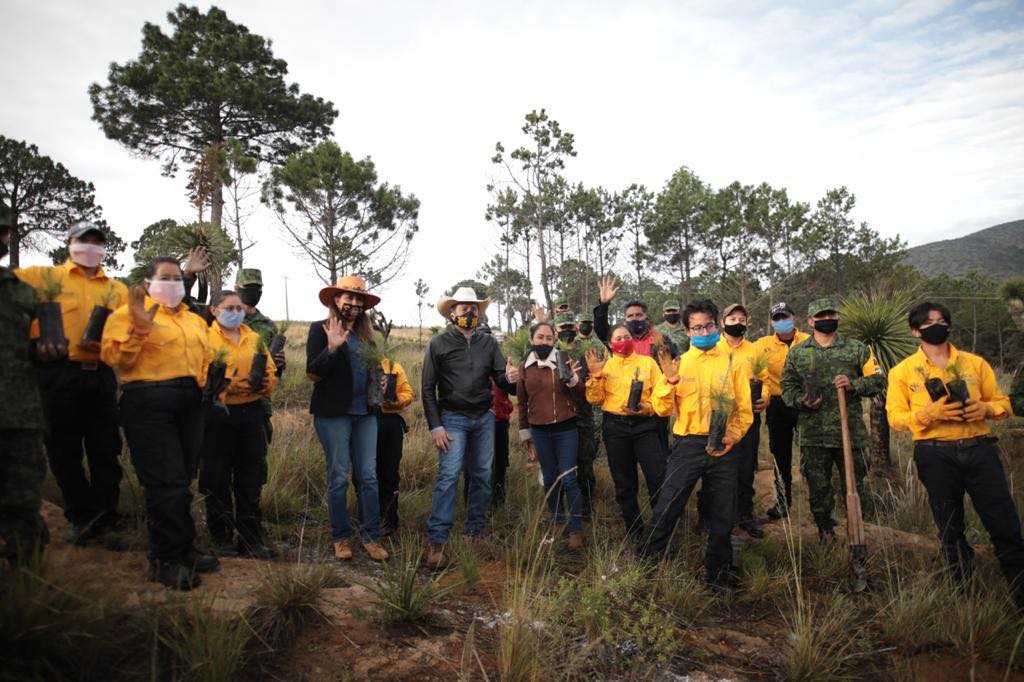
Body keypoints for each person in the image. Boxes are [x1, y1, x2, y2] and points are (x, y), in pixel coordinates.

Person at [887, 301, 1024, 605]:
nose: (937, 325)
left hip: (979, 450)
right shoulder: (902, 372)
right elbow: (895, 418)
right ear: (915, 331)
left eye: (942, 320)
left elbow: (1004, 403)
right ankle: (963, 595)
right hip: (934, 455)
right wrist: (928, 414)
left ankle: (1020, 594)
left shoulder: (975, 364)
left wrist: (985, 408)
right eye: (928, 322)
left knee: (1005, 524)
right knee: (950, 528)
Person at [101, 257, 217, 589]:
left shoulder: (193, 320)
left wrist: (206, 386)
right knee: (165, 482)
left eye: (177, 277)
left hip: (190, 402)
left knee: (181, 480)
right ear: (148, 282)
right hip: (149, 402)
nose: (173, 283)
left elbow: (206, 356)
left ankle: (184, 548)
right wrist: (139, 329)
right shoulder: (128, 312)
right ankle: (164, 559)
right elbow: (116, 358)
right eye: (165, 277)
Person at [15, 221, 128, 546]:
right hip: (56, 374)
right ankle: (81, 518)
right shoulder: (43, 277)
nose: (91, 246)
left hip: (101, 376)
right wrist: (32, 347)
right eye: (84, 240)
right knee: (63, 452)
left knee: (105, 451)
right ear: (69, 243)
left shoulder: (115, 289)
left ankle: (107, 522)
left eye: (97, 241)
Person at [640, 299, 753, 590]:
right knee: (668, 505)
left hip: (724, 447)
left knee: (723, 513)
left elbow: (744, 410)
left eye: (708, 325)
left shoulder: (734, 362)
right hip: (687, 445)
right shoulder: (679, 363)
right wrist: (669, 381)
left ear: (717, 325)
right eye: (697, 327)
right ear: (688, 332)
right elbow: (662, 409)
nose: (703, 331)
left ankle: (719, 574)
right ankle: (647, 565)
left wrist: (732, 437)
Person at [422, 287, 519, 569]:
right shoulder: (438, 344)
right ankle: (437, 540)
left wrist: (511, 378)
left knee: (481, 475)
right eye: (464, 308)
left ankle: (474, 531)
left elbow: (503, 381)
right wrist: (435, 426)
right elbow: (428, 389)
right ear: (452, 313)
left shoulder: (488, 344)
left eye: (474, 308)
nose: (469, 312)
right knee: (449, 475)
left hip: (484, 417)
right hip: (452, 419)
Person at [780, 297, 883, 542]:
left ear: (837, 318)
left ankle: (859, 530)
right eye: (821, 317)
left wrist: (854, 384)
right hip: (814, 434)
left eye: (831, 316)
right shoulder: (798, 353)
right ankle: (825, 530)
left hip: (851, 432)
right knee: (818, 487)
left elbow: (879, 380)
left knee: (856, 484)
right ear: (811, 321)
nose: (827, 320)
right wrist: (801, 400)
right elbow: (787, 388)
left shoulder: (857, 349)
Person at [306, 276, 389, 562]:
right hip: (333, 415)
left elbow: (374, 371)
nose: (353, 304)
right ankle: (341, 537)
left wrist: (380, 383)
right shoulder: (320, 330)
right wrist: (331, 348)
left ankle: (371, 536)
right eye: (348, 298)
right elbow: (313, 373)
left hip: (365, 414)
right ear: (336, 300)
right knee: (339, 476)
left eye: (358, 300)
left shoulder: (369, 337)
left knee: (368, 476)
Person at [199, 290, 278, 558]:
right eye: (229, 308)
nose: (235, 312)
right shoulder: (205, 338)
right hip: (217, 417)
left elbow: (269, 371)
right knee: (216, 478)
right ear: (213, 310)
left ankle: (251, 539)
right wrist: (229, 386)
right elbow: (201, 375)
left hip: (251, 414)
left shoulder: (254, 338)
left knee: (250, 478)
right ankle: (221, 538)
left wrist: (267, 382)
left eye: (238, 308)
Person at [0, 209, 49, 565]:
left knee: (21, 496)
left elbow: (41, 345)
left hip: (18, 412)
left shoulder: (23, 294)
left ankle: (25, 576)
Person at [585, 323, 665, 539]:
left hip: (645, 426)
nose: (623, 341)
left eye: (626, 336)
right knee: (624, 482)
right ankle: (635, 532)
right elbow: (594, 399)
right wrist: (595, 376)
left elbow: (660, 392)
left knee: (657, 478)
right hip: (616, 428)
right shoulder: (606, 366)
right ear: (611, 344)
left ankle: (661, 531)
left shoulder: (648, 363)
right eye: (618, 338)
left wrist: (647, 408)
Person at [518, 322, 587, 549]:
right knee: (549, 479)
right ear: (532, 340)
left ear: (554, 340)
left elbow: (581, 392)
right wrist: (526, 437)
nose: (544, 342)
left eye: (549, 338)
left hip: (566, 429)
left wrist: (574, 380)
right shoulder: (525, 366)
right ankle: (557, 520)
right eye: (540, 337)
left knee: (568, 478)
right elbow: (521, 404)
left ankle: (575, 529)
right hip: (540, 431)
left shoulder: (563, 361)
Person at [710, 303, 768, 539]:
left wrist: (764, 399)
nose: (737, 322)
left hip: (747, 419)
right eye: (732, 319)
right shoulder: (712, 348)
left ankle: (745, 514)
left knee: (745, 468)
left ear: (747, 322)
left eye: (741, 319)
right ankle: (714, 516)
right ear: (723, 323)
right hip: (718, 418)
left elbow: (764, 380)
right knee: (715, 466)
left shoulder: (754, 351)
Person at [753, 302, 809, 519]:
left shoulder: (808, 341)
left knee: (812, 454)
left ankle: (818, 503)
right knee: (780, 455)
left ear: (794, 318)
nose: (781, 322)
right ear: (771, 322)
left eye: (784, 317)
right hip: (777, 405)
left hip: (806, 403)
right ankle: (783, 502)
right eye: (776, 318)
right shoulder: (762, 345)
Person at [235, 268, 287, 444]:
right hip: (229, 400)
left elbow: (275, 373)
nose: (254, 292)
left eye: (258, 288)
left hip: (259, 404)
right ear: (236, 288)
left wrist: (279, 366)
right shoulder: (227, 318)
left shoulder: (268, 325)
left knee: (255, 463)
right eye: (249, 287)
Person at [556, 311, 599, 516]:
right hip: (561, 417)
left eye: (569, 327)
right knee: (562, 465)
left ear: (575, 327)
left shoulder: (586, 351)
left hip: (583, 417)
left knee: (585, 463)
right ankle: (563, 507)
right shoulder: (553, 353)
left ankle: (587, 506)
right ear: (556, 330)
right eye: (562, 327)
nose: (566, 331)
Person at [375, 346, 415, 536]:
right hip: (362, 422)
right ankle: (368, 517)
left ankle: (390, 520)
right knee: (365, 473)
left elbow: (408, 393)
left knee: (390, 472)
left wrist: (396, 400)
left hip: (389, 423)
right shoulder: (357, 365)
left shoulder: (393, 367)